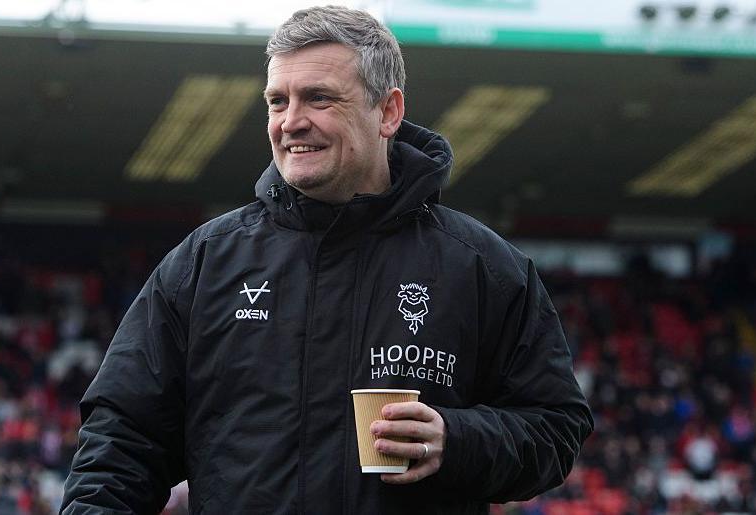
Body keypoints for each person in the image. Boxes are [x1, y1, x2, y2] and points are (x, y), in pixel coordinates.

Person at [62, 5, 593, 514]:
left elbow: (555, 427)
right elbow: (122, 441)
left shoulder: (482, 268)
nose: (291, 122)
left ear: (387, 112)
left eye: (318, 98)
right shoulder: (205, 263)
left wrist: (456, 440)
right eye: (277, 101)